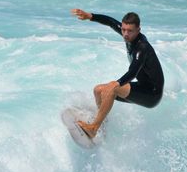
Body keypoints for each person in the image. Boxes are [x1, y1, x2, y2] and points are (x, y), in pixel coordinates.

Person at [70, 9, 165, 138]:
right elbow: (110, 21)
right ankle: (102, 125)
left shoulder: (142, 47)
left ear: (138, 30)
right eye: (123, 29)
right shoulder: (127, 33)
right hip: (142, 86)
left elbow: (133, 72)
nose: (125, 34)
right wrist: (90, 16)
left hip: (152, 94)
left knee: (112, 89)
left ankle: (93, 128)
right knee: (98, 90)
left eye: (130, 31)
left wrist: (117, 83)